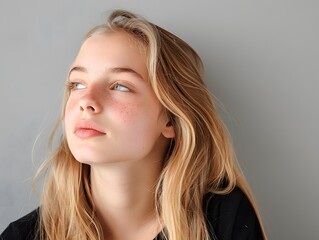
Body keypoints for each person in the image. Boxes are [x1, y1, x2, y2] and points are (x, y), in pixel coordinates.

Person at [1, 10, 266, 240]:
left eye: (119, 86)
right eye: (77, 84)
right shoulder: (23, 236)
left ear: (171, 119)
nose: (86, 101)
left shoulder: (225, 222)